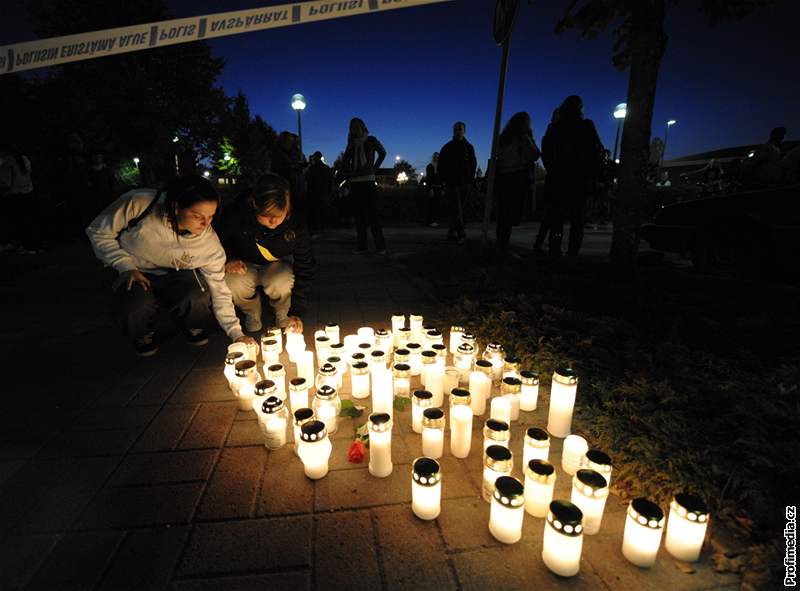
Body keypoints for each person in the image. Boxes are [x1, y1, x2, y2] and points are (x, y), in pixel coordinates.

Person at [86, 175, 255, 357]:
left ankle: (192, 325)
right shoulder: (140, 203)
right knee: (134, 304)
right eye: (197, 216)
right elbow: (98, 231)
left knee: (197, 294)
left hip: (177, 272)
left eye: (211, 216)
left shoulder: (209, 245)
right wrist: (124, 265)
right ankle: (142, 333)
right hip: (133, 269)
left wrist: (236, 334)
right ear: (176, 207)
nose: (206, 224)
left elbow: (220, 291)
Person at [215, 173, 314, 334]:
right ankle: (252, 313)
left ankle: (283, 313)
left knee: (282, 280)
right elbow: (216, 242)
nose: (273, 222)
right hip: (244, 265)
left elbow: (305, 266)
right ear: (254, 204)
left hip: (277, 266)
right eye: (266, 216)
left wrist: (297, 311)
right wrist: (227, 260)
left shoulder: (296, 223)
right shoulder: (236, 213)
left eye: (279, 216)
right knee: (233, 281)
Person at [542, 96, 604, 256]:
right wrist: (593, 174)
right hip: (579, 180)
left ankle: (555, 251)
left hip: (558, 179)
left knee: (557, 219)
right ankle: (572, 252)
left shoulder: (554, 129)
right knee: (577, 221)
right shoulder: (586, 126)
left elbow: (546, 154)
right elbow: (597, 151)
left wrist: (553, 170)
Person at [494, 112, 540, 256]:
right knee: (508, 213)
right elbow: (534, 155)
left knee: (505, 214)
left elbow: (534, 155)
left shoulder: (506, 138)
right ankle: (503, 246)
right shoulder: (518, 139)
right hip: (514, 178)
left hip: (506, 178)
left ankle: (501, 244)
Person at [342, 117, 387, 254]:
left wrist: (374, 168)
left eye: (356, 127)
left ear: (362, 127)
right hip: (356, 182)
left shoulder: (371, 140)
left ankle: (381, 246)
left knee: (373, 215)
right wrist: (349, 149)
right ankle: (362, 246)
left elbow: (383, 153)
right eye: (352, 128)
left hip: (368, 180)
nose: (354, 130)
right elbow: (345, 160)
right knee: (359, 217)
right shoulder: (351, 143)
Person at [438, 121, 477, 244]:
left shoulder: (468, 147)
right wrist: (443, 181)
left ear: (464, 131)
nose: (458, 131)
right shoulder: (447, 147)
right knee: (456, 208)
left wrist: (470, 179)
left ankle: (451, 232)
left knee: (458, 209)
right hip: (451, 182)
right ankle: (461, 233)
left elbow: (473, 164)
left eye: (460, 129)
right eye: (456, 129)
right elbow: (441, 165)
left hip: (464, 182)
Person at [0, 144, 40, 253]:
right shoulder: (24, 159)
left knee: (15, 222)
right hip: (27, 193)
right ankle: (28, 245)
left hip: (13, 195)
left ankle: (14, 243)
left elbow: (5, 182)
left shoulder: (6, 162)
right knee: (25, 221)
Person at [305, 151, 332, 236]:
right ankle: (324, 228)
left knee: (317, 211)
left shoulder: (313, 168)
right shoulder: (326, 168)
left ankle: (319, 228)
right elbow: (331, 181)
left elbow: (308, 179)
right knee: (323, 210)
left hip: (315, 193)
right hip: (323, 193)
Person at [424, 152, 442, 227]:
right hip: (432, 188)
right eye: (435, 157)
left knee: (437, 205)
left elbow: (441, 178)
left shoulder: (440, 167)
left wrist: (442, 187)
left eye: (438, 157)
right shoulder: (429, 166)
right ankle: (430, 221)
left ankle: (435, 221)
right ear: (433, 157)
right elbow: (429, 178)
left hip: (439, 188)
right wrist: (430, 188)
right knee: (431, 205)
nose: (436, 158)